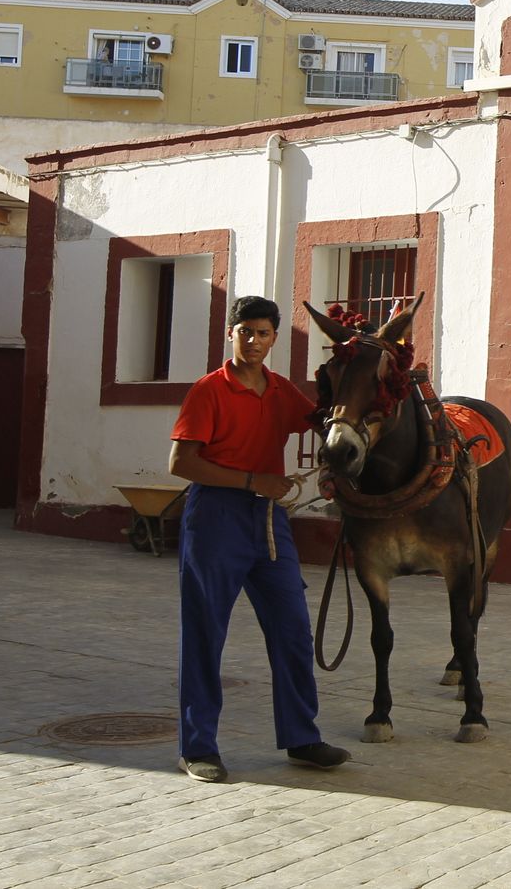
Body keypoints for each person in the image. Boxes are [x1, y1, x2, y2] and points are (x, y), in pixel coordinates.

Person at [168, 295, 350, 783]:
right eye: (245, 331)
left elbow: (324, 426)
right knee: (205, 634)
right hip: (215, 518)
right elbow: (181, 463)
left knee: (292, 628)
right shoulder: (209, 390)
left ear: (274, 339)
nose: (253, 341)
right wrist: (253, 481)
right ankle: (197, 748)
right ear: (231, 333)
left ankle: (302, 738)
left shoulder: (280, 390)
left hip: (269, 523)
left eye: (263, 333)